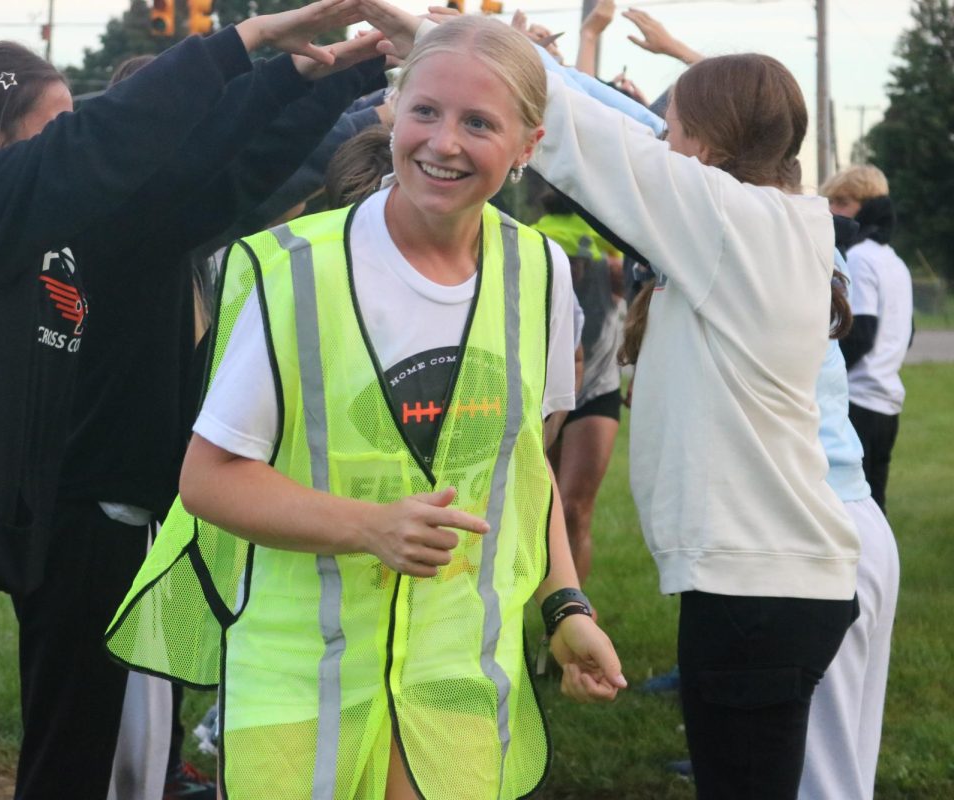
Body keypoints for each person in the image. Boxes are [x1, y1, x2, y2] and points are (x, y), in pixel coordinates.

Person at [0, 4, 377, 798]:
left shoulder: (55, 241)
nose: (77, 143)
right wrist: (242, 43)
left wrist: (311, 76)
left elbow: (206, 170)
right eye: (56, 128)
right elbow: (111, 140)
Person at [107, 15, 625, 800]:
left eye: (478, 122)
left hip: (453, 683)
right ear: (394, 113)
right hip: (306, 686)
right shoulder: (298, 271)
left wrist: (564, 607)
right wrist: (370, 528)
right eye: (425, 111)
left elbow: (524, 472)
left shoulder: (540, 273)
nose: (443, 142)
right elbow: (208, 481)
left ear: (527, 145)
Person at [355, 7, 862, 796]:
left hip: (760, 588)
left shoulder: (736, 227)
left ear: (708, 144)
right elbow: (619, 130)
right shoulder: (772, 225)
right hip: (775, 582)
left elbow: (594, 139)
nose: (662, 144)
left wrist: (448, 39)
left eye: (674, 131)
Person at [13, 41, 390, 800]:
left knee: (134, 752)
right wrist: (362, 84)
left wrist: (360, 78)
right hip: (92, 527)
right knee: (77, 749)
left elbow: (264, 155)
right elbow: (268, 161)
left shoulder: (156, 228)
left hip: (124, 518)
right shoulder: (126, 222)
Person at [797, 250, 900, 800]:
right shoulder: (815, 235)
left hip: (815, 527)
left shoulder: (747, 224)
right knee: (841, 772)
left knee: (821, 780)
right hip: (850, 511)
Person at [532, 190, 623, 582]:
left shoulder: (609, 236)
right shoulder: (531, 238)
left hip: (599, 383)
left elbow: (630, 286)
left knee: (573, 509)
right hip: (547, 388)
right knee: (546, 509)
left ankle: (571, 614)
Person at [820, 165, 912, 510]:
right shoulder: (894, 261)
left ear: (869, 206)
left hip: (858, 400)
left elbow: (861, 334)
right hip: (887, 401)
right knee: (875, 505)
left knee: (848, 511)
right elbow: (909, 332)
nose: (831, 210)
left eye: (842, 202)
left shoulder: (858, 258)